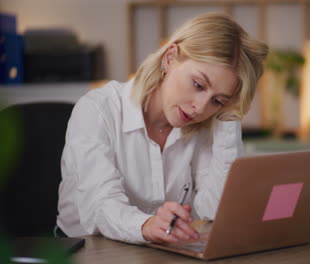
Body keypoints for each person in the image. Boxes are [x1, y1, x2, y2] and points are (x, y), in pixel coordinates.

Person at [56, 13, 268, 244]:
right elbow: (99, 206)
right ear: (170, 58)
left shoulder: (208, 122)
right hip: (87, 250)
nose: (200, 107)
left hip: (162, 251)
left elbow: (213, 211)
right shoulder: (97, 110)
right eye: (198, 85)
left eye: (217, 100)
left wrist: (229, 117)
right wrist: (147, 224)